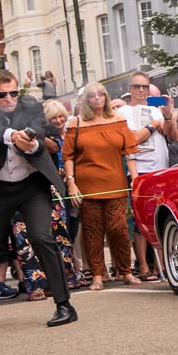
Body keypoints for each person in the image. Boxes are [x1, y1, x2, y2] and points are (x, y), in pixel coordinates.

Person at [0, 68, 78, 327]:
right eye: (2, 94)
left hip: (31, 187)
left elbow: (38, 128)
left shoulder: (30, 104)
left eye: (13, 92)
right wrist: (12, 136)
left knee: (42, 238)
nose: (9, 98)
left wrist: (32, 143)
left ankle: (64, 305)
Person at [64, 82, 141, 291]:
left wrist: (134, 178)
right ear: (86, 100)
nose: (97, 98)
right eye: (92, 95)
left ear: (106, 97)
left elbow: (130, 152)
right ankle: (97, 274)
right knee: (92, 230)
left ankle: (125, 271)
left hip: (115, 183)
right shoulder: (76, 123)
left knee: (119, 228)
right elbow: (68, 157)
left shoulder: (118, 120)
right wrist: (71, 183)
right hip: (87, 186)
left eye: (101, 94)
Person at [119, 73, 170, 279]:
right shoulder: (124, 111)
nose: (142, 91)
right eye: (137, 87)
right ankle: (144, 266)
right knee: (140, 221)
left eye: (145, 87)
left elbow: (170, 135)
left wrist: (168, 115)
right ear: (130, 89)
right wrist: (152, 126)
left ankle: (162, 266)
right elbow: (131, 140)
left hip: (161, 168)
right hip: (140, 169)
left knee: (160, 218)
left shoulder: (155, 109)